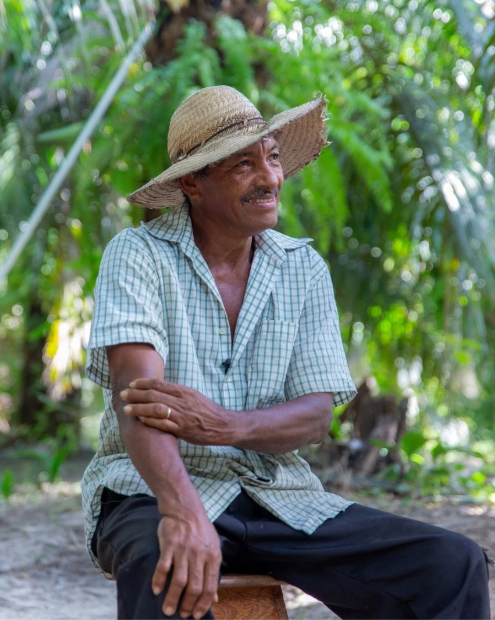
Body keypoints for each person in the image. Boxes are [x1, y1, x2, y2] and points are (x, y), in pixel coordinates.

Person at [82, 85, 491, 620]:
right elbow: (139, 405)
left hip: (278, 495)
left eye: (272, 157)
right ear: (192, 182)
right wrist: (181, 510)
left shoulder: (302, 268)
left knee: (451, 565)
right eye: (243, 165)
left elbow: (316, 416)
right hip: (151, 490)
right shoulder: (138, 255)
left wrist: (225, 425)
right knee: (166, 561)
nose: (271, 178)